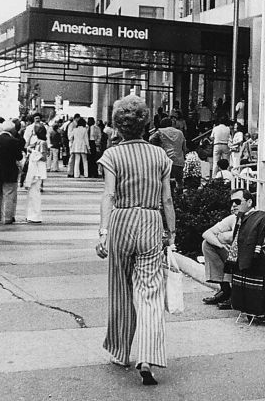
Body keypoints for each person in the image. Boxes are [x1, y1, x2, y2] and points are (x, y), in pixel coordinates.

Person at [97, 94, 176, 385]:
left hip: (121, 222)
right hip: (151, 222)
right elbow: (167, 198)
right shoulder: (160, 156)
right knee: (150, 292)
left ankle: (120, 352)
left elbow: (108, 195)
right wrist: (172, 232)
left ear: (118, 125)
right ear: (145, 123)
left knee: (120, 290)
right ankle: (147, 356)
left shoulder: (111, 156)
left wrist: (103, 232)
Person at [0, 121, 23, 225]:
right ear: (12, 130)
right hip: (10, 171)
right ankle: (7, 218)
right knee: (8, 194)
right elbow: (19, 157)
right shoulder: (14, 141)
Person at [150, 117, 187, 193]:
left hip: (166, 160)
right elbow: (184, 147)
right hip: (179, 160)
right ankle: (179, 199)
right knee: (179, 181)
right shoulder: (180, 132)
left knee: (165, 182)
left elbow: (151, 139)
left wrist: (158, 147)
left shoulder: (160, 131)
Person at [25, 126, 48, 223]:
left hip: (37, 170)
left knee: (35, 194)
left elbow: (43, 157)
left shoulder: (42, 143)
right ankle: (31, 215)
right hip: (35, 169)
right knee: (31, 194)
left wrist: (33, 152)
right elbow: (27, 147)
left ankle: (35, 216)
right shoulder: (38, 142)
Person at [66, 113, 81, 177]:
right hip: (73, 143)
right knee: (72, 157)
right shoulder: (72, 125)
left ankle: (73, 172)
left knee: (75, 158)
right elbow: (70, 135)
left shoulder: (75, 124)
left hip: (75, 143)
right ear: (77, 118)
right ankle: (70, 172)